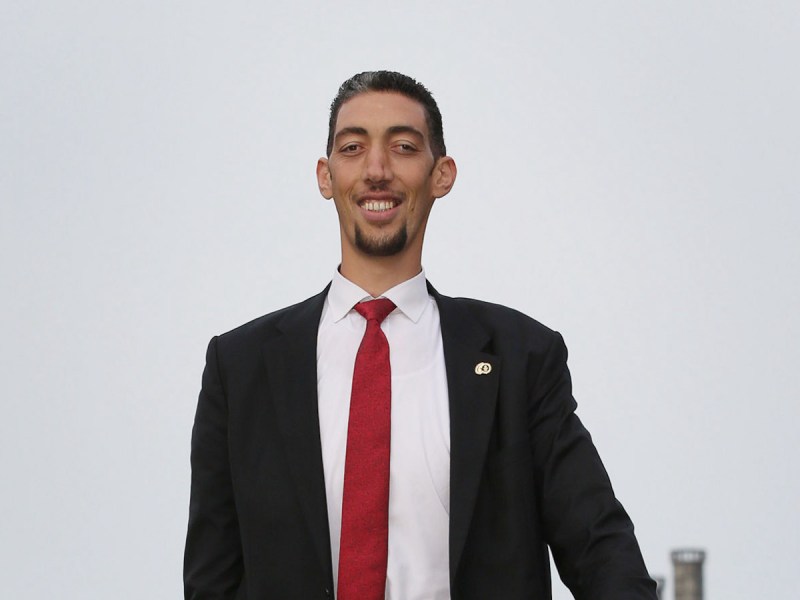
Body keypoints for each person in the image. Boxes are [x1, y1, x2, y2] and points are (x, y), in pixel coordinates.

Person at [184, 71, 656, 600]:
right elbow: (212, 578)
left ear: (441, 175)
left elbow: (601, 548)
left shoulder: (522, 358)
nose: (377, 170)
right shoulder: (241, 366)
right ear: (325, 175)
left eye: (404, 148)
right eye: (353, 147)